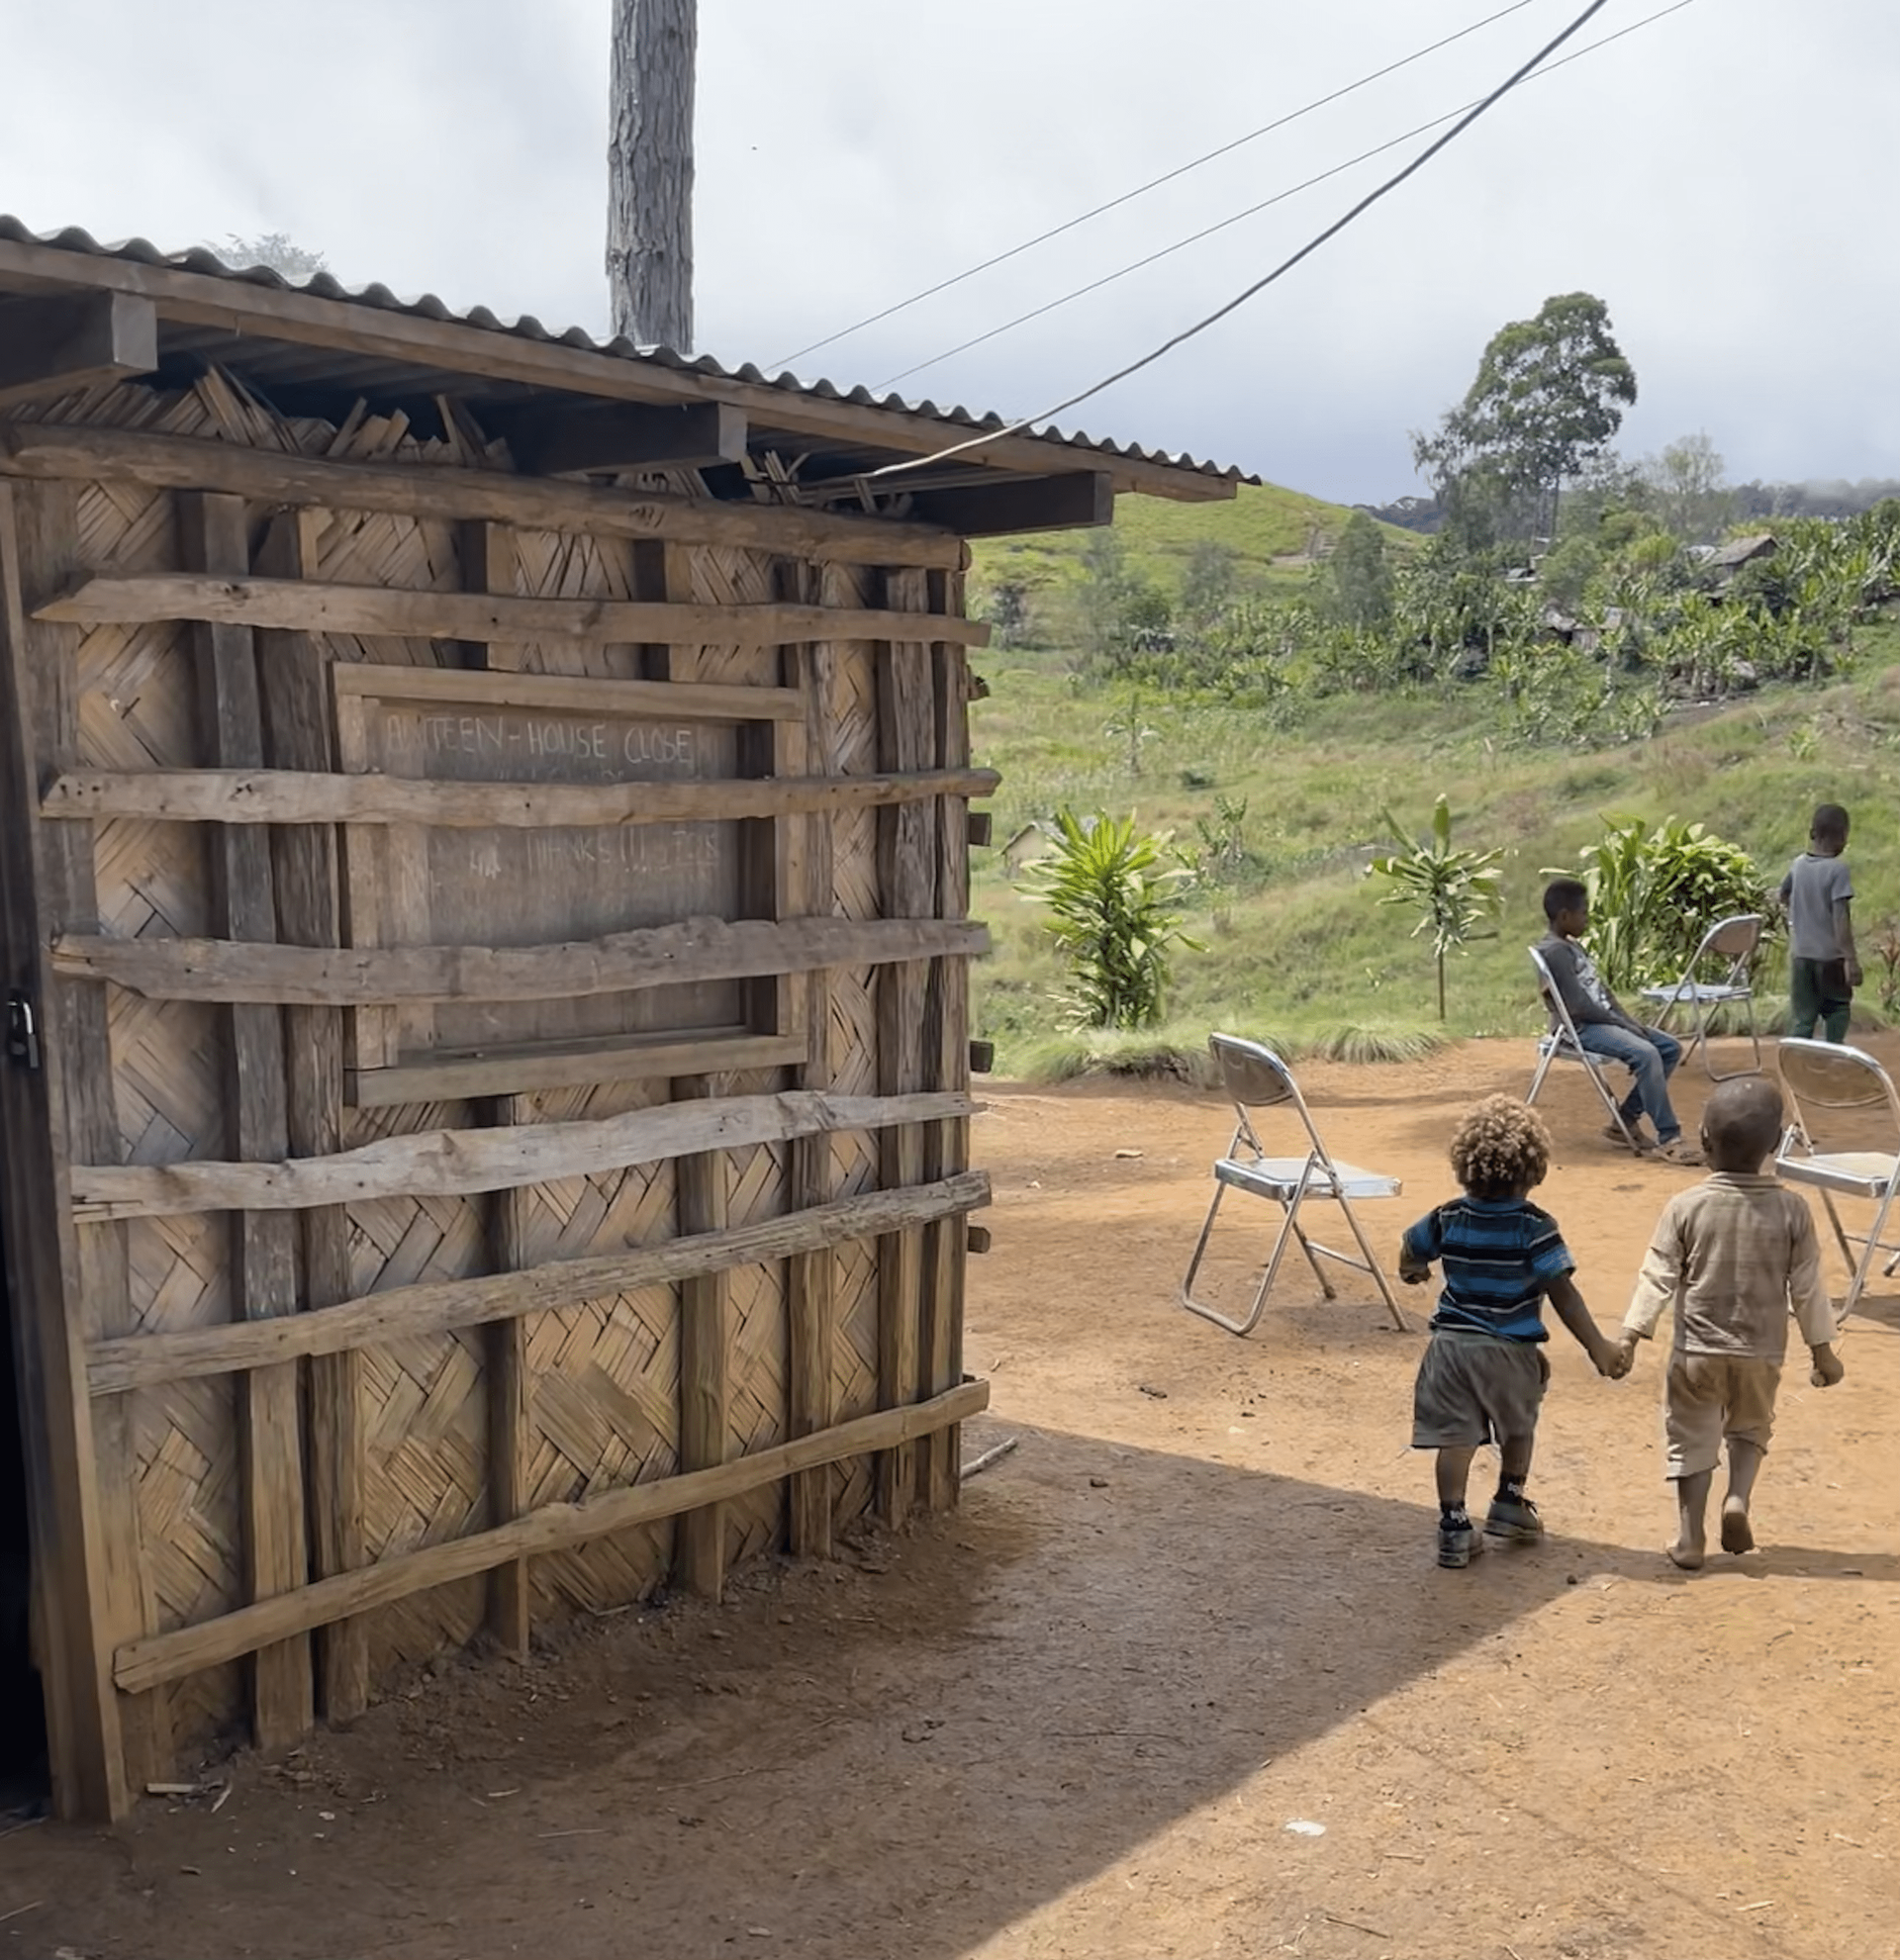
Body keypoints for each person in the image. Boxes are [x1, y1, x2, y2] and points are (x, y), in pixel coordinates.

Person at [1616, 1076, 1845, 1569]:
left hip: (1697, 1351)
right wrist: (1823, 1351)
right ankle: (1738, 1497)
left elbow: (1657, 1274)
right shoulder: (1792, 1210)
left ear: (1703, 1140)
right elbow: (1807, 1288)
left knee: (1691, 1438)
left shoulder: (1686, 1206)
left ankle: (1689, 1538)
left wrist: (1630, 1335)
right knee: (1750, 1428)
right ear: (1773, 1145)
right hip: (1761, 1353)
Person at [1400, 1094, 1624, 1569]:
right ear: (1534, 1169)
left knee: (1456, 1438)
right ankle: (1509, 1499)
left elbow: (1412, 1245)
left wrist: (1413, 1268)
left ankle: (1454, 1526)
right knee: (1518, 1425)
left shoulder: (1447, 1216)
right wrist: (1598, 1347)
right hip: (1509, 1349)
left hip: (1450, 1349)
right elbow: (1561, 1291)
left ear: (1464, 1165)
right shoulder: (1534, 1227)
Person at [1538, 879, 1699, 1166]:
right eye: (1583, 913)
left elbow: (1603, 994)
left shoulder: (1572, 946)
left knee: (1668, 1048)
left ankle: (1624, 1121)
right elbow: (1578, 1006)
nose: (1587, 919)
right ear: (1564, 916)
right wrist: (1622, 1026)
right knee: (1647, 1054)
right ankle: (1669, 1138)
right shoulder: (1556, 952)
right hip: (1581, 1029)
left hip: (1602, 1021)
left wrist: (1630, 1022)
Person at [1778, 803, 1859, 1044]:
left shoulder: (1798, 865)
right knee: (1838, 1008)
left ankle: (1798, 1062)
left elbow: (1782, 894)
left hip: (1801, 955)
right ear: (1843, 835)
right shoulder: (1838, 870)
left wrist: (1797, 917)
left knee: (1804, 1016)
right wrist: (1851, 960)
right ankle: (1832, 1055)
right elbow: (1840, 918)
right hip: (1830, 958)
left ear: (1812, 833)